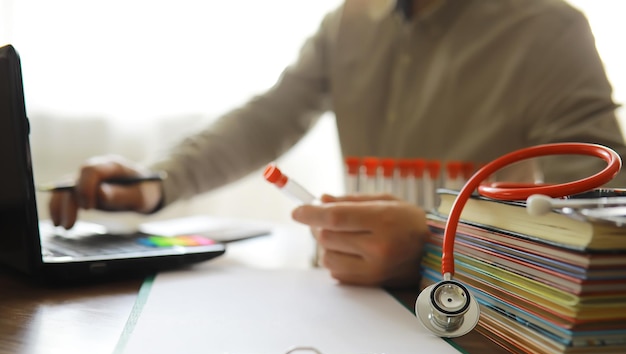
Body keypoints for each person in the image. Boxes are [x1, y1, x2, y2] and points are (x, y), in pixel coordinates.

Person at [49, 0, 626, 287]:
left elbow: (605, 219)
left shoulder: (548, 30)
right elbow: (267, 118)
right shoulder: (350, 22)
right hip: (345, 302)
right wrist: (158, 182)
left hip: (482, 318)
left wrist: (431, 243)